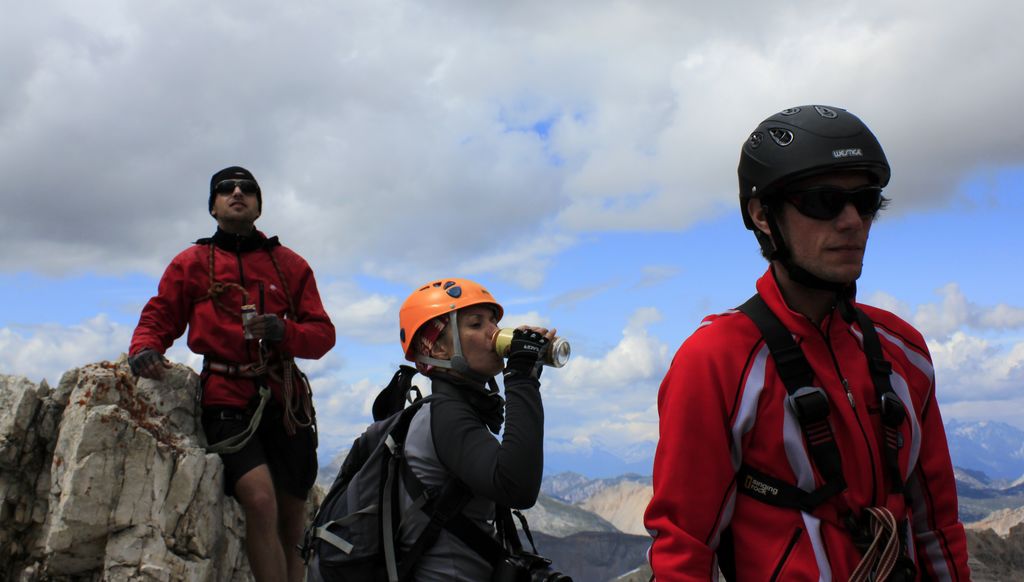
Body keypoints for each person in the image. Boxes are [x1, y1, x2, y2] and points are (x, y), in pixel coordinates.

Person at [644, 106, 970, 580]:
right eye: (824, 201)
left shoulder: (904, 350)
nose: (852, 221)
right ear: (762, 215)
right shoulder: (715, 359)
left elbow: (936, 525)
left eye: (866, 201)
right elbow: (684, 546)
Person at [128, 166, 335, 582]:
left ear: (258, 204)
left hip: (286, 401)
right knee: (260, 501)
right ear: (213, 206)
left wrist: (283, 330)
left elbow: (322, 335)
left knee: (294, 513)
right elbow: (161, 314)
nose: (237, 192)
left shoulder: (290, 265)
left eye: (248, 189)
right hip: (226, 397)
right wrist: (144, 348)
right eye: (226, 189)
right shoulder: (190, 264)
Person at [394, 277, 554, 581]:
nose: (493, 332)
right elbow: (517, 487)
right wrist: (521, 378)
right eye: (476, 324)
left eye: (493, 321)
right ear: (439, 347)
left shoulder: (448, 410)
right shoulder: (445, 414)